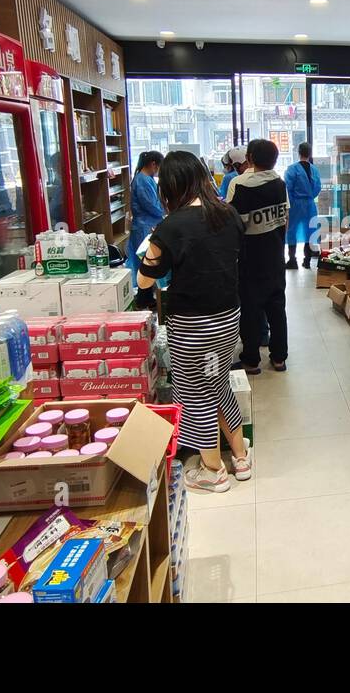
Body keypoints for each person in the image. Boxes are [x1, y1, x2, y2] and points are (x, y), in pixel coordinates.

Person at [137, 151, 251, 493]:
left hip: (192, 325)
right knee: (217, 382)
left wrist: (155, 254)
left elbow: (146, 279)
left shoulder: (171, 226)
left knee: (195, 392)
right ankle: (241, 457)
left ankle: (213, 470)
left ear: (172, 186)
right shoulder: (228, 214)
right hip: (228, 319)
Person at [225, 139, 289, 373]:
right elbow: (285, 218)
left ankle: (251, 360)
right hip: (275, 256)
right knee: (277, 306)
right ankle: (279, 357)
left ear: (249, 158)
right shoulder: (280, 183)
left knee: (251, 310)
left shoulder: (240, 185)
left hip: (251, 258)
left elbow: (234, 225)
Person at [128, 151, 165, 303]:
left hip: (148, 224)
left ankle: (147, 296)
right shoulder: (142, 180)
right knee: (146, 261)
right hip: (144, 226)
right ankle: (145, 298)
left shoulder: (145, 179)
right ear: (153, 164)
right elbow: (151, 204)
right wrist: (166, 210)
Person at [284, 141, 322, 269]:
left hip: (295, 204)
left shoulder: (292, 169)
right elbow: (318, 188)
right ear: (310, 153)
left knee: (292, 231)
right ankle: (307, 260)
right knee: (310, 231)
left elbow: (287, 188)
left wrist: (289, 204)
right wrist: (310, 197)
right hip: (310, 204)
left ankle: (292, 260)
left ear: (298, 152)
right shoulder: (314, 170)